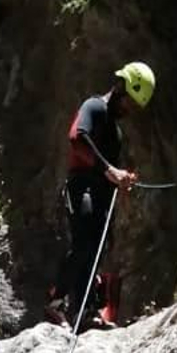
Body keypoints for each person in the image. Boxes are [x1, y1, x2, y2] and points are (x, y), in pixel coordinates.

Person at [48, 60, 156, 330]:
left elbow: (109, 171)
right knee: (84, 241)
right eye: (129, 102)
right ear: (120, 87)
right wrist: (109, 171)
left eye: (134, 107)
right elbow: (77, 137)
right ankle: (55, 302)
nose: (129, 110)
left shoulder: (115, 133)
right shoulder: (94, 107)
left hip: (100, 192)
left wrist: (122, 179)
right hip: (81, 186)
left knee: (96, 247)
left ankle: (85, 311)